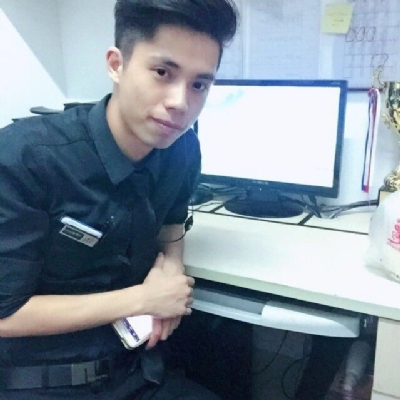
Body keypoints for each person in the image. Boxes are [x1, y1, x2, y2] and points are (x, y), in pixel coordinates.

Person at [0, 1, 238, 399]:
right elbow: (5, 314)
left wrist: (171, 274)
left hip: (135, 369)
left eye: (199, 84)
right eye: (163, 73)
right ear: (116, 65)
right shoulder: (26, 158)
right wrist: (144, 299)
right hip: (42, 381)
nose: (181, 102)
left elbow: (173, 223)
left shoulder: (180, 149)